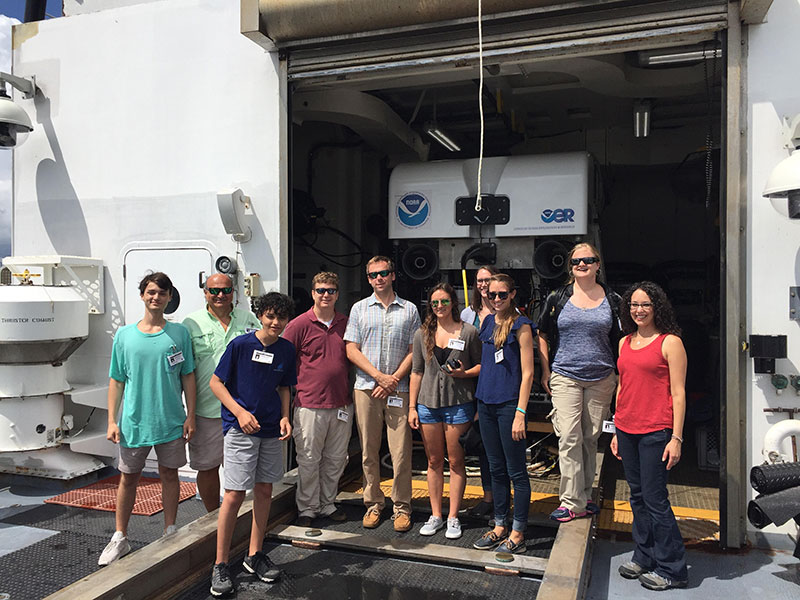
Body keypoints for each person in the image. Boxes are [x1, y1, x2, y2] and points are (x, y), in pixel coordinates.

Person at [99, 272, 196, 566]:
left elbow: (188, 375)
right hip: (134, 423)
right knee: (128, 479)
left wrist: (190, 415)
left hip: (170, 421)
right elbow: (116, 380)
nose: (156, 297)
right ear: (142, 295)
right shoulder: (125, 336)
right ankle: (120, 537)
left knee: (169, 475)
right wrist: (111, 421)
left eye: (162, 293)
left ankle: (170, 530)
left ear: (169, 298)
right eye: (151, 292)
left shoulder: (179, 334)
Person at [208, 292, 296, 597]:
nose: (275, 323)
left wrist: (286, 417)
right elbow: (216, 383)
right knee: (233, 495)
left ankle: (254, 555)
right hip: (240, 429)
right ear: (260, 315)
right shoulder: (241, 346)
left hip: (271, 429)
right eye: (270, 316)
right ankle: (220, 564)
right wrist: (240, 412)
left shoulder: (286, 349)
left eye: (281, 318)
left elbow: (284, 386)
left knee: (265, 489)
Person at [536, 242, 623, 522]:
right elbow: (542, 333)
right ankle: (571, 502)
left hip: (601, 377)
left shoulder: (613, 299)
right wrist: (546, 371)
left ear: (598, 264)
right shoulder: (557, 298)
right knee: (569, 437)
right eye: (576, 261)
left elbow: (622, 339)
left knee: (589, 437)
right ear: (570, 267)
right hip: (565, 376)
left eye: (587, 260)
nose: (581, 265)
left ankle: (584, 497)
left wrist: (621, 376)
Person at [610, 281, 688, 591]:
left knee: (656, 501)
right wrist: (616, 427)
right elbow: (622, 386)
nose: (639, 310)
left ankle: (673, 568)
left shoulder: (670, 343)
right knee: (637, 497)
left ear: (657, 308)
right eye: (633, 305)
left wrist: (677, 437)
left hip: (656, 432)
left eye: (645, 304)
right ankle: (644, 555)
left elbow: (679, 393)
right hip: (627, 429)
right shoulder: (624, 342)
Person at [344, 256, 421, 533]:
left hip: (398, 389)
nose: (379, 278)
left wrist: (393, 379)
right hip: (367, 388)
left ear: (392, 276)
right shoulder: (359, 309)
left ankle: (401, 507)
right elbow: (351, 349)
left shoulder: (410, 310)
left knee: (401, 452)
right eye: (374, 274)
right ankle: (373, 504)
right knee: (368, 450)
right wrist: (379, 377)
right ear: (368, 279)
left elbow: (415, 351)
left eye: (384, 273)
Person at [183, 273, 261, 512]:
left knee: (241, 468)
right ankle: (212, 518)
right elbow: (186, 371)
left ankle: (234, 516)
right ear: (205, 292)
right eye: (214, 290)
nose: (220, 295)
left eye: (225, 290)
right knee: (207, 468)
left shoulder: (249, 319)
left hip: (241, 410)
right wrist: (190, 414)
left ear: (233, 293)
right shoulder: (190, 324)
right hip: (206, 411)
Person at [409, 283, 481, 540]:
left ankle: (453, 517)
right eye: (435, 302)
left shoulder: (469, 332)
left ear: (454, 303)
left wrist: (464, 374)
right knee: (433, 461)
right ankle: (436, 514)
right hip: (428, 406)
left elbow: (481, 366)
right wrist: (412, 406)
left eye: (445, 301)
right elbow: (417, 371)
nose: (440, 306)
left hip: (458, 404)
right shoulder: (422, 334)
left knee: (457, 462)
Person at [283, 272, 351, 527]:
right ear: (312, 293)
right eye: (321, 290)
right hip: (309, 403)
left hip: (342, 403)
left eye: (330, 290)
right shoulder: (299, 325)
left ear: (337, 294)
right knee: (309, 459)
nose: (325, 295)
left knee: (336, 459)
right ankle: (308, 508)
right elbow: (284, 361)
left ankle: (327, 503)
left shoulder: (346, 323)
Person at [472, 274, 534, 554]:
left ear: (512, 294)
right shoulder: (486, 322)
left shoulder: (521, 325)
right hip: (486, 403)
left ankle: (518, 532)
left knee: (516, 471)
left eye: (502, 294)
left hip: (509, 404)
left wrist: (521, 411)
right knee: (495, 468)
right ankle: (499, 525)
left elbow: (528, 372)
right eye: (492, 294)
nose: (497, 299)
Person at [460, 265, 500, 518]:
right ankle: (488, 498)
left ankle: (501, 499)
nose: (483, 285)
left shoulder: (507, 311)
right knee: (482, 445)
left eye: (487, 279)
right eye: (479, 281)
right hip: (471, 387)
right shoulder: (467, 313)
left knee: (499, 448)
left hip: (498, 386)